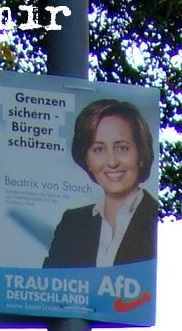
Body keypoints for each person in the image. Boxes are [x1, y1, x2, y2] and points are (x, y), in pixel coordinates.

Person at [44, 99, 159, 269]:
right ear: (87, 160)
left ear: (141, 154)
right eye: (99, 149)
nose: (112, 162)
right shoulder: (72, 224)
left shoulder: (158, 219)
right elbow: (50, 281)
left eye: (122, 148)